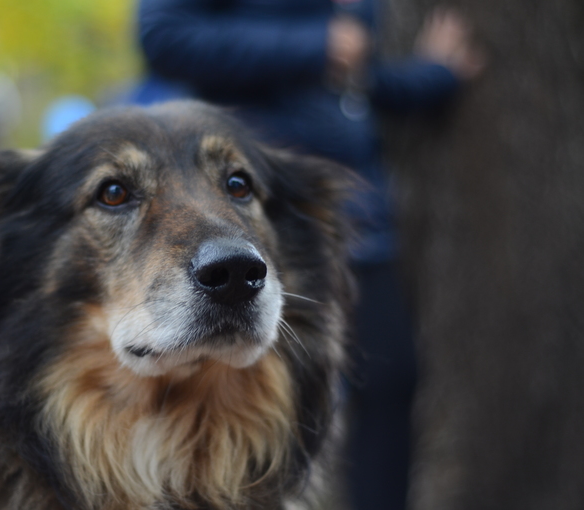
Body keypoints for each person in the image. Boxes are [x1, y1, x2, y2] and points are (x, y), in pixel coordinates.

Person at [136, 2, 482, 509]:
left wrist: (432, 77)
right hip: (253, 213)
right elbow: (163, 36)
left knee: (390, 377)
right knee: (260, 387)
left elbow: (353, 80)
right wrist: (315, 44)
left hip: (357, 217)